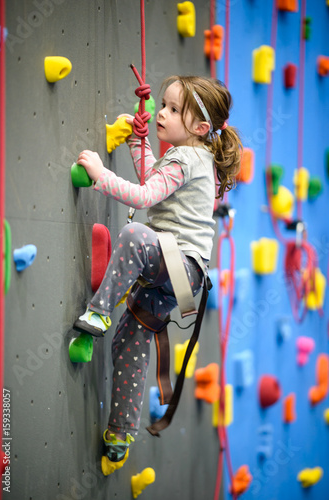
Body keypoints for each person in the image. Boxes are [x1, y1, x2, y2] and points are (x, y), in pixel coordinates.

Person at [73, 75, 242, 476]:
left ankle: (98, 312)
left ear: (200, 128)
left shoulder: (186, 158)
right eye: (161, 105)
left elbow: (146, 196)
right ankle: (120, 435)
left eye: (171, 109)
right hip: (183, 280)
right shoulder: (193, 158)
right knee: (130, 341)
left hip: (177, 264)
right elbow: (158, 181)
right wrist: (138, 143)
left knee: (133, 233)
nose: (161, 113)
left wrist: (99, 174)